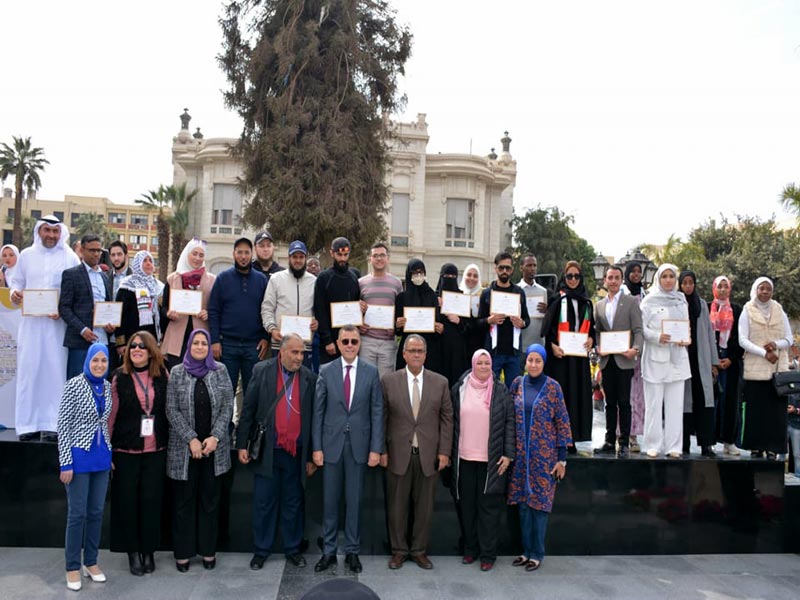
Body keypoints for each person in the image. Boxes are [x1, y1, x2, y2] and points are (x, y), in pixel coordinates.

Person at [235, 334, 318, 570]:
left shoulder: (309, 378)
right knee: (264, 503)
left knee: (293, 502)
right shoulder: (262, 371)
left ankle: (292, 549)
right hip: (268, 451)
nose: (299, 357)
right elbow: (248, 409)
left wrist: (312, 454)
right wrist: (242, 444)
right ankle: (261, 550)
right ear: (281, 353)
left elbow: (313, 420)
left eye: (302, 353)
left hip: (296, 452)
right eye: (295, 352)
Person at [312, 326, 384, 574]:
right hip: (331, 447)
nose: (350, 345)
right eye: (346, 341)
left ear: (359, 344)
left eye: (354, 341)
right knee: (329, 502)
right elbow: (317, 412)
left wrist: (376, 448)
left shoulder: (371, 372)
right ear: (339, 344)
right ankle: (329, 551)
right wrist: (317, 447)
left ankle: (352, 551)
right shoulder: (326, 371)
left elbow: (377, 411)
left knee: (354, 502)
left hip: (359, 448)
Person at [380, 334, 453, 570]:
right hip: (397, 454)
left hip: (428, 456)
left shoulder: (440, 382)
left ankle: (419, 550)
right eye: (412, 351)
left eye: (420, 351)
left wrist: (444, 452)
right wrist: (381, 450)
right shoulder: (389, 381)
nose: (416, 354)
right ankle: (399, 551)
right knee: (397, 507)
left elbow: (447, 419)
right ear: (403, 354)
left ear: (426, 354)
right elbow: (381, 418)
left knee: (424, 508)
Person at [166, 329, 234, 572]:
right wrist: (191, 439)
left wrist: (215, 436)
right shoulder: (177, 372)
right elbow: (171, 409)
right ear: (188, 345)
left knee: (209, 502)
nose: (200, 346)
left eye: (204, 343)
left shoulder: (220, 370)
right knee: (183, 503)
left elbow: (228, 405)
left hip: (214, 450)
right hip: (184, 451)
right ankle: (183, 554)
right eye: (195, 342)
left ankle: (208, 551)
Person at [11, 215, 80, 441]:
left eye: (55, 231)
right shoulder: (27, 256)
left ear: (61, 233)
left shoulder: (69, 257)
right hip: (31, 325)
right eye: (46, 231)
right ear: (39, 232)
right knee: (29, 371)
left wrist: (63, 309)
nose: (51, 235)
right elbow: (17, 282)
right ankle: (27, 424)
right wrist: (15, 293)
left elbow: (77, 291)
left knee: (54, 371)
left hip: (56, 325)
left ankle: (53, 424)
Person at [108, 331, 169, 576]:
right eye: (133, 346)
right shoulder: (118, 377)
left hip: (155, 450)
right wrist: (108, 450)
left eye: (141, 346)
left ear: (151, 350)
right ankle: (133, 552)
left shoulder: (163, 375)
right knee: (128, 502)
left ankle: (148, 551)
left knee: (151, 502)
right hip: (126, 450)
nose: (135, 349)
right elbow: (110, 417)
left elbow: (169, 411)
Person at [507, 344, 571, 572]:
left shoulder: (553, 387)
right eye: (530, 360)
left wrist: (562, 459)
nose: (533, 365)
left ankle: (537, 554)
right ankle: (525, 551)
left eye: (538, 361)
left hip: (544, 457)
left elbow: (562, 421)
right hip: (521, 456)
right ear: (525, 362)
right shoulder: (517, 384)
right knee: (523, 505)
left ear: (544, 363)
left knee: (540, 505)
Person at [449, 349, 514, 571]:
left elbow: (509, 424)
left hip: (492, 461)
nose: (484, 367)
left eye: (488, 363)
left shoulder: (501, 391)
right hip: (464, 458)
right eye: (480, 363)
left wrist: (508, 453)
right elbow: (451, 423)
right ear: (473, 364)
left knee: (488, 511)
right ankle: (470, 549)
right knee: (467, 508)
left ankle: (488, 555)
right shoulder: (459, 388)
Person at [57, 343, 112, 591]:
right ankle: (72, 566)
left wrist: (108, 452)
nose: (99, 365)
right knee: (77, 514)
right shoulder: (74, 385)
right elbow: (63, 427)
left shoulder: (108, 386)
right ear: (87, 361)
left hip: (101, 458)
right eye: (95, 361)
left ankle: (91, 561)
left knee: (96, 512)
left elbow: (103, 424)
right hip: (78, 458)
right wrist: (66, 462)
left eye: (103, 361)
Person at [541, 261, 594, 452]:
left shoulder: (587, 302)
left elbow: (592, 331)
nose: (573, 280)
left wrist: (591, 341)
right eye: (569, 276)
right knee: (562, 396)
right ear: (564, 277)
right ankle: (558, 438)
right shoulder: (557, 300)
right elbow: (546, 331)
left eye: (576, 276)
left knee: (577, 396)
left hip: (579, 360)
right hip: (560, 359)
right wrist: (552, 346)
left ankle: (573, 438)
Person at [207, 237, 270, 396]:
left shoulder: (261, 280)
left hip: (253, 346)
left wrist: (265, 337)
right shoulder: (222, 278)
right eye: (240, 252)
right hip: (227, 345)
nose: (243, 256)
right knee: (226, 392)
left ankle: (248, 422)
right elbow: (213, 310)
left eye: (246, 252)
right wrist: (214, 340)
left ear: (252, 254)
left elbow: (267, 309)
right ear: (234, 254)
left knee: (252, 392)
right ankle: (226, 422)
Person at [739, 276, 793, 459]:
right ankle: (756, 447)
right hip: (756, 369)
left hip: (777, 370)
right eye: (761, 288)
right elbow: (743, 340)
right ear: (755, 289)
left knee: (776, 413)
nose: (765, 292)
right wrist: (764, 353)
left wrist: (775, 344)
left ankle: (773, 448)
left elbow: (789, 339)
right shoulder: (747, 310)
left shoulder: (779, 310)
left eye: (768, 289)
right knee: (756, 411)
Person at [640, 264, 691, 458]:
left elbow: (685, 326)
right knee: (653, 404)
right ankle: (653, 444)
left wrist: (687, 337)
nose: (668, 280)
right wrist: (656, 336)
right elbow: (642, 329)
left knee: (675, 405)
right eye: (665, 276)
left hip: (677, 358)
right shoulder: (649, 301)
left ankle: (674, 447)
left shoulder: (681, 300)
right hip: (655, 358)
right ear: (658, 279)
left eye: (671, 276)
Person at [593, 265, 643, 458]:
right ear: (605, 281)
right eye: (610, 278)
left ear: (621, 280)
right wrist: (598, 346)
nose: (613, 281)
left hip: (625, 359)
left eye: (616, 278)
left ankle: (623, 442)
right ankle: (608, 440)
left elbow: (638, 330)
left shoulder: (631, 302)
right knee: (609, 402)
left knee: (624, 402)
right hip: (607, 360)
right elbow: (597, 332)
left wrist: (635, 349)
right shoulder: (599, 305)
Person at [59, 234, 114, 378]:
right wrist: (83, 330)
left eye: (99, 250)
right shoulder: (71, 274)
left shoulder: (105, 277)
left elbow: (109, 306)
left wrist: (111, 326)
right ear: (82, 250)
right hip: (80, 342)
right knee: (78, 385)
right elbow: (64, 308)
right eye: (92, 250)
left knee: (100, 385)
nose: (96, 254)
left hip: (102, 340)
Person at [679, 270, 720, 457]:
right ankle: (684, 443)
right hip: (683, 360)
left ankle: (706, 444)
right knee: (684, 404)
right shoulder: (676, 304)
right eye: (684, 283)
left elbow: (711, 334)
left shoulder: (702, 305)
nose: (688, 286)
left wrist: (713, 362)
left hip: (701, 361)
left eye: (691, 282)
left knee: (704, 403)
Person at [478, 252, 531, 389]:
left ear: (512, 269)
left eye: (508, 268)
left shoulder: (518, 292)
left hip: (513, 352)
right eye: (501, 268)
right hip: (494, 352)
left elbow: (527, 319)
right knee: (491, 390)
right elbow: (478, 322)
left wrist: (522, 323)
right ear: (495, 268)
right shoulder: (487, 293)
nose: (504, 271)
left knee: (514, 391)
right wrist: (489, 320)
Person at [162, 239, 216, 370]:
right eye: (194, 253)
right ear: (187, 254)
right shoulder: (172, 279)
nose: (197, 258)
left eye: (201, 255)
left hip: (201, 335)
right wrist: (168, 313)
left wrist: (208, 313)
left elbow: (217, 308)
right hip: (177, 336)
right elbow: (163, 307)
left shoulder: (212, 280)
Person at [261, 240, 318, 365]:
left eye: (301, 257)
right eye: (294, 257)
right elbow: (267, 308)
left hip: (304, 345)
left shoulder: (314, 282)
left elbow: (318, 309)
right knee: (280, 382)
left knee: (303, 382)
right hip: (280, 343)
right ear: (289, 258)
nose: (298, 260)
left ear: (305, 258)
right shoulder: (276, 279)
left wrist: (316, 321)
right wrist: (272, 328)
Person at [709, 276, 744, 455]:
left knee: (730, 402)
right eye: (719, 286)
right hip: (711, 362)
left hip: (731, 362)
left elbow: (741, 336)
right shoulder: (707, 307)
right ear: (713, 288)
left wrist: (731, 358)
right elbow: (704, 336)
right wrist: (713, 360)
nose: (722, 290)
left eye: (725, 287)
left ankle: (729, 441)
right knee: (711, 402)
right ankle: (709, 441)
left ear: (730, 289)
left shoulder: (737, 310)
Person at [314, 237, 361, 366]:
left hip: (350, 342)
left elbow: (359, 303)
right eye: (339, 254)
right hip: (330, 343)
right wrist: (327, 340)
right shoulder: (324, 277)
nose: (342, 259)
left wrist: (362, 308)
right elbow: (320, 310)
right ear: (332, 253)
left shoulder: (355, 276)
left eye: (345, 255)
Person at [358, 242, 402, 377]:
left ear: (387, 258)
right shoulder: (361, 283)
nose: (379, 258)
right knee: (365, 380)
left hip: (388, 341)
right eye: (375, 255)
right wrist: (359, 323)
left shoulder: (397, 283)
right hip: (367, 340)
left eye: (382, 255)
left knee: (386, 382)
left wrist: (395, 327)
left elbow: (400, 310)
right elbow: (356, 311)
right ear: (370, 259)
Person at [395, 259, 443, 373]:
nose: (418, 275)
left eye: (421, 272)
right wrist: (398, 325)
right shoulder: (401, 298)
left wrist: (439, 328)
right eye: (415, 273)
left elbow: (437, 322)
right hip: (408, 347)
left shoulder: (432, 296)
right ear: (409, 274)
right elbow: (397, 331)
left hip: (429, 349)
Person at [115, 250, 166, 350]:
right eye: (144, 261)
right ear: (137, 264)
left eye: (150, 261)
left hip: (153, 339)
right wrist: (120, 343)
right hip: (132, 339)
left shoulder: (159, 287)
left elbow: (162, 314)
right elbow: (120, 315)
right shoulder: (127, 285)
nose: (148, 263)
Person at [622, 261, 646, 452]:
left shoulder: (647, 295)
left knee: (637, 395)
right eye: (633, 271)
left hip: (640, 351)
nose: (636, 275)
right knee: (622, 394)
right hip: (622, 350)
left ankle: (634, 435)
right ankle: (619, 433)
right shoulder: (622, 293)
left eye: (639, 272)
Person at [436, 263, 468, 387]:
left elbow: (468, 327)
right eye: (446, 275)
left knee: (455, 382)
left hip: (456, 349)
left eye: (452, 276)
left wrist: (459, 321)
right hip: (438, 347)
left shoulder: (461, 297)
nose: (449, 278)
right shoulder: (434, 297)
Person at [518, 254, 549, 361]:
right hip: (521, 344)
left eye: (534, 265)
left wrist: (547, 311)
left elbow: (547, 319)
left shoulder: (543, 291)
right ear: (521, 267)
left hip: (539, 343)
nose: (532, 269)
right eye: (529, 265)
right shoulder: (516, 290)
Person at [459, 263, 485, 369]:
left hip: (478, 340)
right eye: (469, 275)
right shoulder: (458, 294)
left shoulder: (484, 295)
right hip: (461, 340)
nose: (471, 278)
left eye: (475, 276)